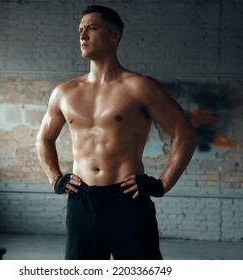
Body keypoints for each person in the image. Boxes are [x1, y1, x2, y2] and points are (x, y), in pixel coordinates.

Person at [36, 5, 198, 260]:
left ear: (115, 36)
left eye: (92, 28)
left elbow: (185, 133)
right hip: (81, 200)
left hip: (127, 200)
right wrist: (55, 178)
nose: (82, 35)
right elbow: (44, 138)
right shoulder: (64, 92)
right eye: (80, 30)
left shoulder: (140, 86)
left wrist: (163, 183)